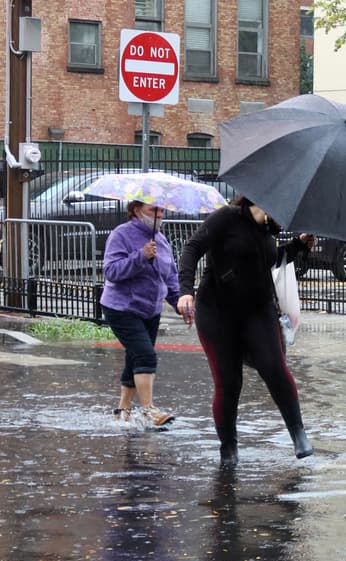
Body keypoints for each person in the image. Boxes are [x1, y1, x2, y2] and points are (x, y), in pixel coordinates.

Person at [176, 195, 314, 468]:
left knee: (274, 367)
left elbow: (266, 262)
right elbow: (192, 248)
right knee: (229, 383)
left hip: (257, 310)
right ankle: (228, 447)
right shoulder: (226, 217)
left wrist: (298, 245)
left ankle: (298, 433)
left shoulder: (267, 229)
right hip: (217, 311)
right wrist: (185, 292)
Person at [100, 199, 184, 429]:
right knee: (146, 355)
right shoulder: (121, 235)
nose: (159, 214)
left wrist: (180, 304)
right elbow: (111, 271)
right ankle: (149, 410)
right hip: (122, 308)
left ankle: (123, 410)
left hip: (150, 309)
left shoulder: (162, 240)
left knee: (135, 357)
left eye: (161, 210)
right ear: (137, 211)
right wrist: (140, 256)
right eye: (153, 210)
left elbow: (169, 277)